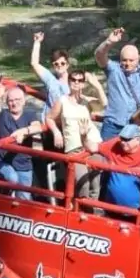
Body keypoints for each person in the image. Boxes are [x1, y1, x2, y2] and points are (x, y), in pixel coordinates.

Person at [94, 28, 140, 140]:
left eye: (131, 60)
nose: (127, 63)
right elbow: (99, 56)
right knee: (105, 156)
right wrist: (109, 42)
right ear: (120, 60)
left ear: (138, 59)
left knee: (130, 156)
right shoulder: (114, 70)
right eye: (124, 60)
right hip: (112, 124)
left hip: (133, 126)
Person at [47, 69, 104, 199]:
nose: (76, 83)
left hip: (91, 146)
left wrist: (97, 85)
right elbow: (49, 117)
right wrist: (56, 132)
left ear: (83, 84)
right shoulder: (62, 101)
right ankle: (80, 213)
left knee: (95, 184)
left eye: (80, 80)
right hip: (74, 150)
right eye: (73, 80)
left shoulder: (86, 101)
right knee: (83, 183)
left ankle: (91, 214)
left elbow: (104, 104)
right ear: (69, 82)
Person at [30, 32, 71, 198]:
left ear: (68, 64)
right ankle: (47, 193)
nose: (59, 66)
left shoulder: (75, 80)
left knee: (67, 163)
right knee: (48, 160)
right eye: (56, 63)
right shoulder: (50, 80)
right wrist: (37, 42)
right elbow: (34, 63)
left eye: (62, 63)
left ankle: (65, 195)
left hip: (68, 128)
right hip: (49, 128)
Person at [0, 75, 42, 199]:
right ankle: (2, 198)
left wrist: (24, 131)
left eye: (18, 99)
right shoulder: (3, 114)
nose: (14, 103)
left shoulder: (30, 114)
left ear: (24, 101)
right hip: (4, 162)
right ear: (7, 102)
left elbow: (38, 127)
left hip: (24, 164)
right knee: (13, 179)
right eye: (11, 100)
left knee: (24, 199)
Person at [97, 124, 140, 210]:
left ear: (137, 139)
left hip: (135, 212)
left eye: (127, 139)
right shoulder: (114, 146)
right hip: (110, 209)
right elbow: (92, 148)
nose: (122, 142)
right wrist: (84, 136)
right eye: (122, 138)